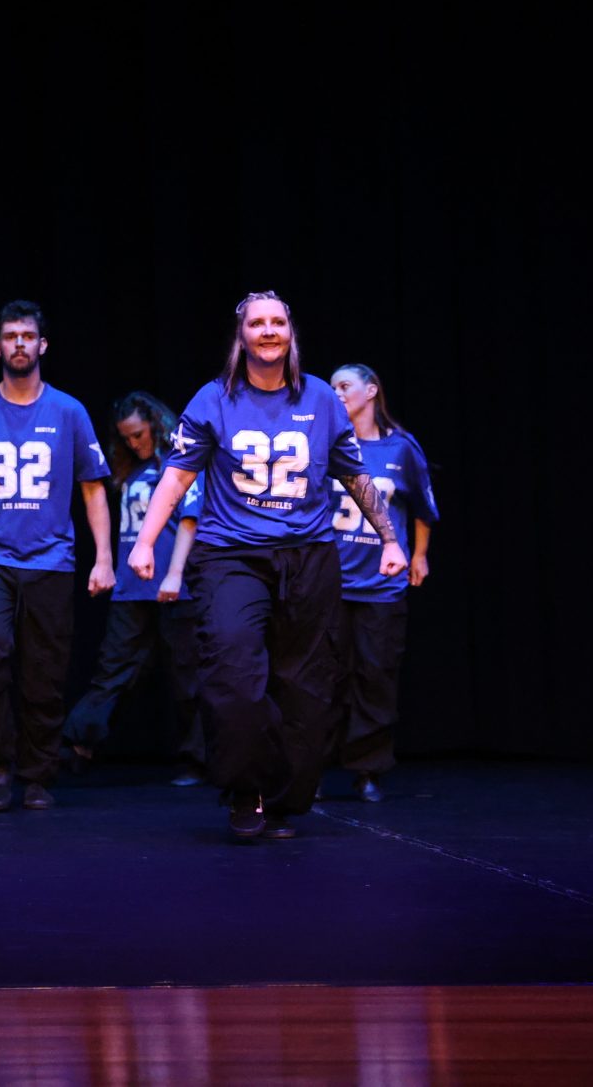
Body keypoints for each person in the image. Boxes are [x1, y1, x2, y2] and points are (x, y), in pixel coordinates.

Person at [130, 292, 405, 841]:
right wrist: (144, 542)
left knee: (304, 687)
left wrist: (390, 540)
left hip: (308, 556)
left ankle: (283, 799)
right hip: (231, 555)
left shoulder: (323, 398)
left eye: (278, 322)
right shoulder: (213, 400)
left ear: (291, 333)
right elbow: (177, 479)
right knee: (234, 674)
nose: (269, 330)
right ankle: (244, 790)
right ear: (242, 336)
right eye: (257, 323)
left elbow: (355, 475)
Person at [0, 300, 114, 812]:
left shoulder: (69, 411)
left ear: (42, 345)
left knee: (44, 670)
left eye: (26, 335)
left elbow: (93, 489)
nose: (17, 343)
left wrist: (104, 558)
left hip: (51, 559)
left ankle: (37, 772)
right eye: (9, 335)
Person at [65, 391, 208, 786]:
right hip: (132, 589)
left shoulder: (178, 467)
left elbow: (189, 523)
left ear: (157, 426)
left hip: (174, 588)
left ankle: (198, 760)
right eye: (126, 437)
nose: (134, 443)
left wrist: (175, 573)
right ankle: (79, 745)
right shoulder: (130, 472)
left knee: (187, 678)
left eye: (139, 434)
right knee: (113, 669)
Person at [327, 363, 438, 802]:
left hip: (381, 584)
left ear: (371, 391)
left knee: (374, 676)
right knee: (321, 677)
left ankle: (367, 769)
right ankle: (310, 769)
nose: (337, 392)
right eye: (331, 386)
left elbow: (423, 507)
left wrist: (420, 556)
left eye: (345, 385)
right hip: (329, 583)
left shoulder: (401, 448)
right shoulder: (326, 445)